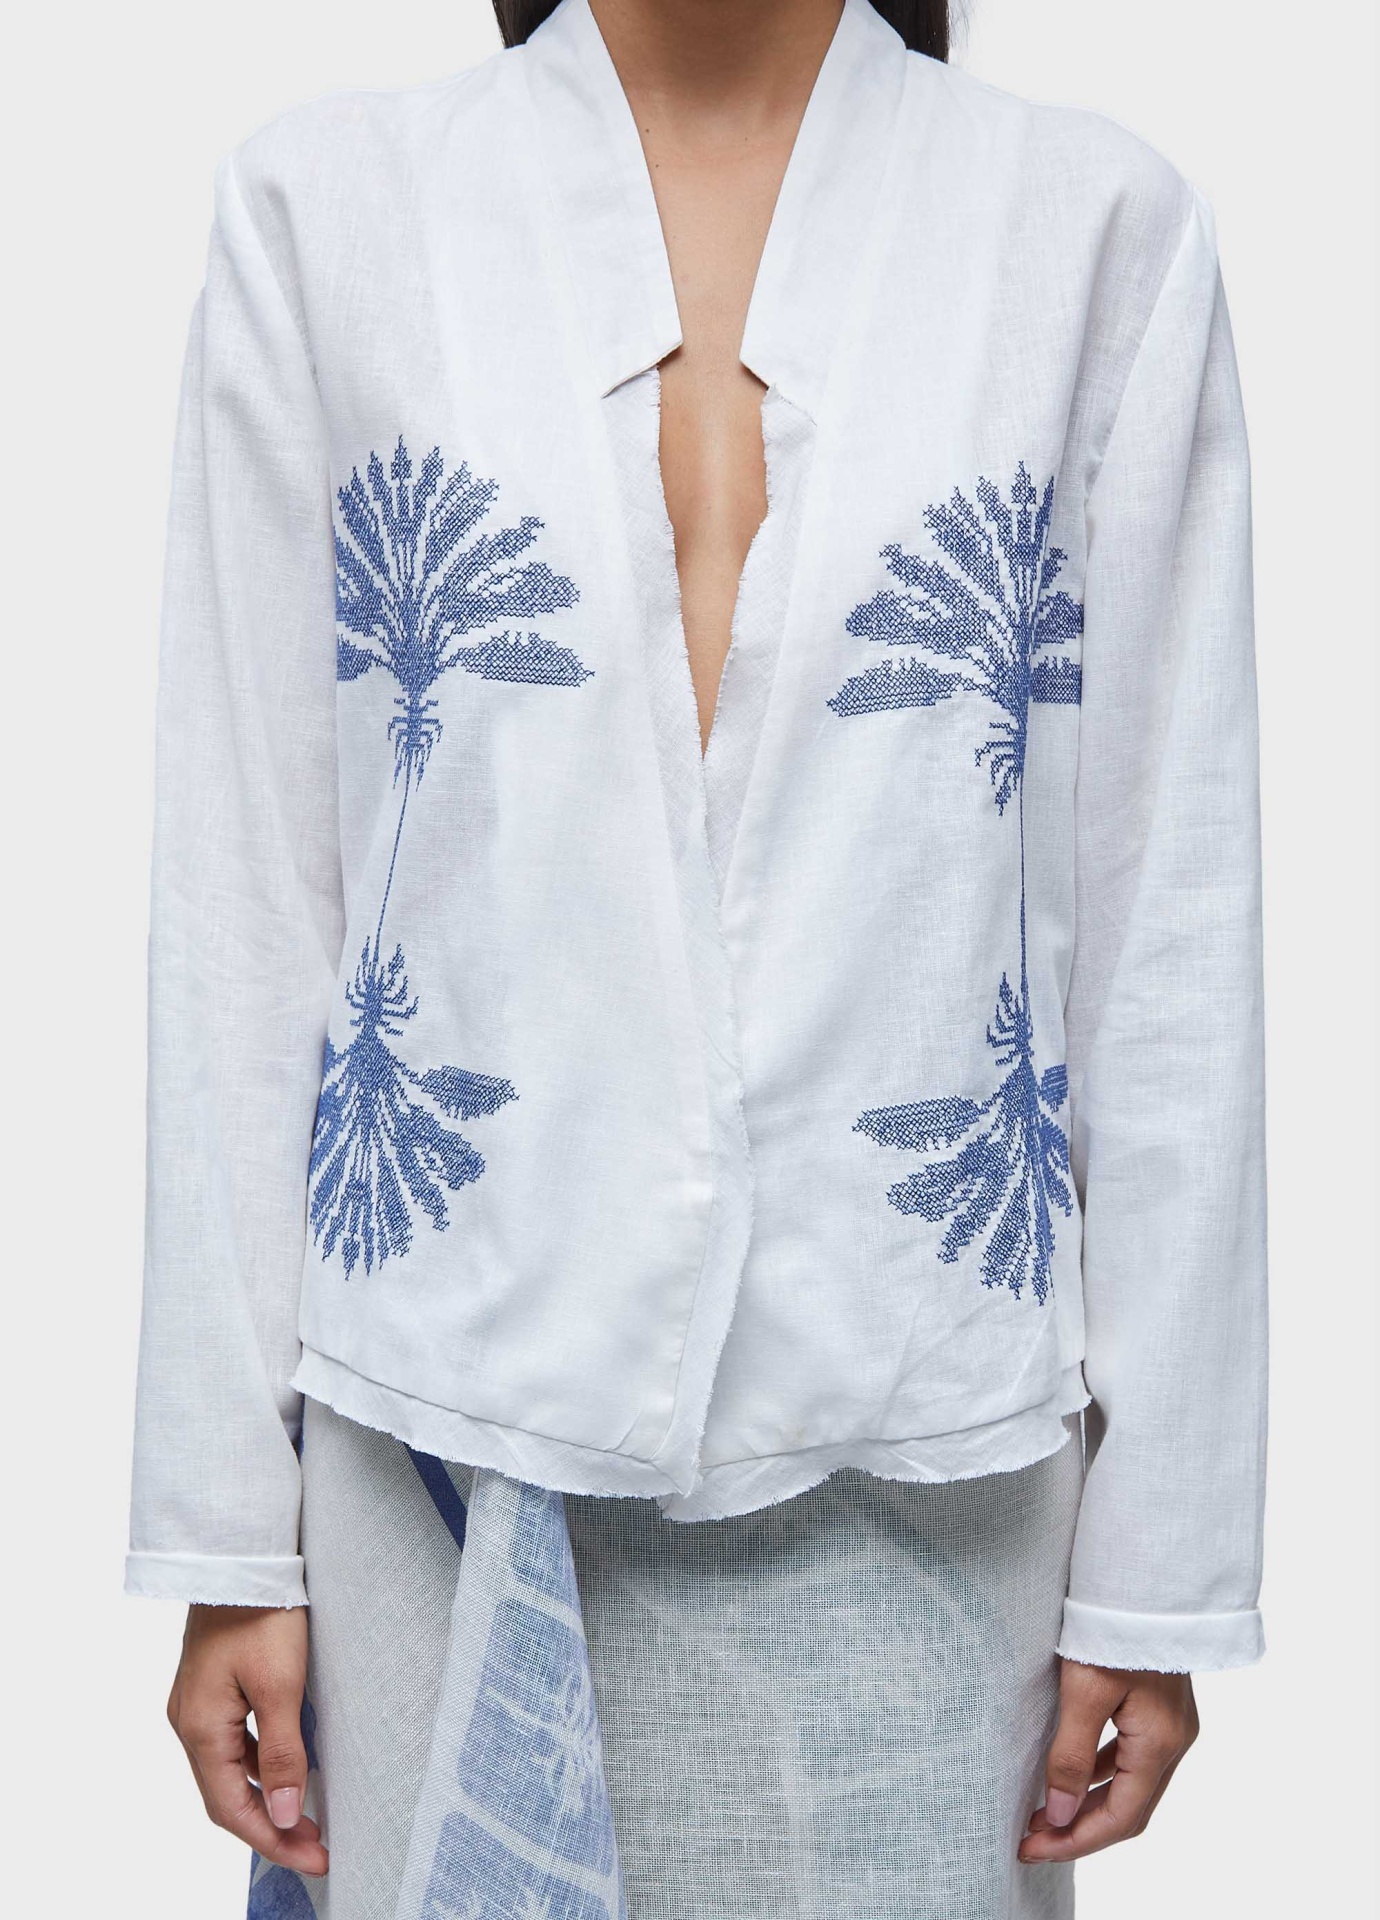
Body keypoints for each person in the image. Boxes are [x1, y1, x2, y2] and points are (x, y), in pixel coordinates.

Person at [128, 0, 1268, 1913]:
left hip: (925, 1460)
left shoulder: (1089, 229)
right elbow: (246, 901)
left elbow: (1171, 920)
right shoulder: (328, 212)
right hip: (435, 1432)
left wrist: (1163, 1561)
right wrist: (224, 1531)